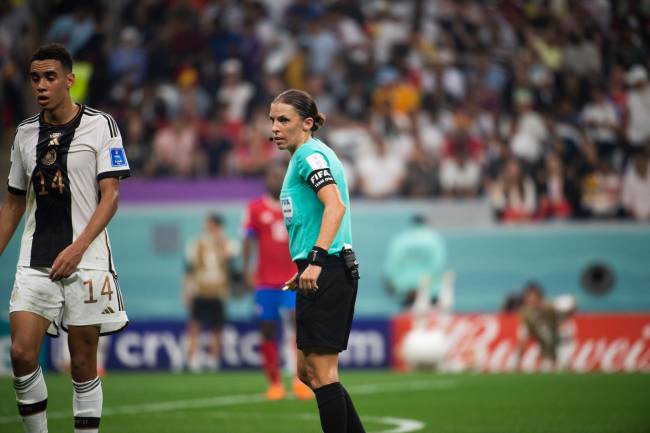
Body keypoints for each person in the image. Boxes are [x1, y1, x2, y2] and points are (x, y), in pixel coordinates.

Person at [0, 43, 130, 433]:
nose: (41, 85)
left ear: (69, 80)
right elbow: (12, 206)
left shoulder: (101, 124)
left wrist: (77, 247)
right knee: (22, 353)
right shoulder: (24, 134)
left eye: (50, 77)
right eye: (36, 78)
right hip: (35, 259)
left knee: (82, 363)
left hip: (87, 260)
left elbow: (111, 198)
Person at [270, 89, 366, 433]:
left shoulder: (310, 156)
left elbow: (334, 205)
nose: (275, 128)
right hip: (318, 268)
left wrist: (315, 260)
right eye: (272, 120)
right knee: (306, 372)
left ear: (307, 123)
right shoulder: (304, 156)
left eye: (284, 120)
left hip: (327, 268)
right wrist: (305, 266)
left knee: (323, 374)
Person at [242, 163, 313, 400]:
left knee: (299, 326)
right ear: (265, 180)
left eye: (281, 176)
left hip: (293, 278)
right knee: (267, 330)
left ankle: (299, 380)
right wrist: (246, 270)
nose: (276, 180)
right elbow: (247, 241)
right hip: (265, 282)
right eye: (272, 176)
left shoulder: (297, 205)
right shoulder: (255, 208)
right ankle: (274, 384)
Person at [183, 214, 233, 372]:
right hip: (200, 290)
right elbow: (189, 270)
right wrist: (186, 292)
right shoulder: (196, 243)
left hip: (218, 292)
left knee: (217, 328)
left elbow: (230, 256)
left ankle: (214, 359)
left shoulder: (225, 243)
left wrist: (220, 240)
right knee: (194, 326)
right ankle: (192, 359)